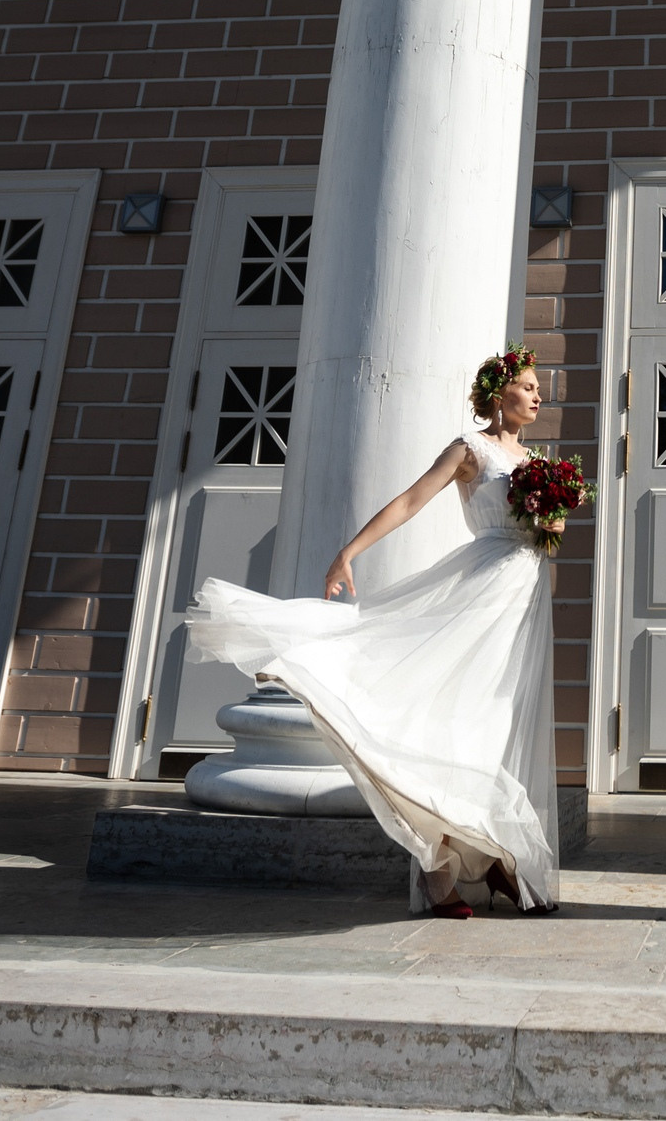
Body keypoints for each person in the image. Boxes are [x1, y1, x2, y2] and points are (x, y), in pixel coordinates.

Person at [185, 345, 562, 918]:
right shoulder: (470, 450)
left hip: (524, 599)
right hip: (481, 592)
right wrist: (349, 552)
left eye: (538, 388)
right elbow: (410, 500)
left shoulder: (536, 460)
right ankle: (443, 870)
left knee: (502, 722)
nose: (538, 395)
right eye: (528, 385)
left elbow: (546, 533)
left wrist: (552, 518)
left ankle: (493, 856)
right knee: (461, 720)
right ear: (498, 392)